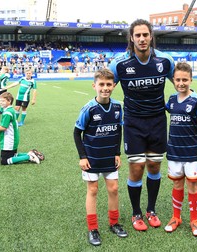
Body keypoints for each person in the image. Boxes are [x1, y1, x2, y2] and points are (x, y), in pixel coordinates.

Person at [109, 19, 175, 231]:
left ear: (151, 36)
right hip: (133, 123)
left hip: (157, 121)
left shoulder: (165, 61)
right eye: (137, 35)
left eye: (145, 35)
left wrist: (189, 103)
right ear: (131, 38)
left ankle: (151, 210)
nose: (142, 39)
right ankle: (136, 213)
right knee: (136, 168)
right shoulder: (119, 64)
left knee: (154, 166)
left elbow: (180, 82)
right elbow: (105, 86)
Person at [73, 68, 127, 246]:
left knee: (113, 189)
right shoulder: (89, 108)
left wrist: (117, 153)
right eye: (101, 84)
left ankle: (114, 223)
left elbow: (118, 130)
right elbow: (77, 133)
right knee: (93, 190)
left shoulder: (118, 107)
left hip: (109, 156)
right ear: (94, 86)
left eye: (108, 84)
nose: (105, 88)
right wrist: (82, 156)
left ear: (114, 85)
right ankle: (93, 228)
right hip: (92, 157)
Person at [164, 62, 197, 237]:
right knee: (177, 183)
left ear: (191, 79)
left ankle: (194, 219)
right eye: (178, 80)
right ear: (173, 81)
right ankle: (176, 217)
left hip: (193, 152)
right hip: (174, 151)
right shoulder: (171, 100)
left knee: (192, 184)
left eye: (185, 79)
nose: (181, 83)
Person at [0, 92, 44, 165]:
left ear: (9, 101)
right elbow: (8, 123)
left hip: (9, 139)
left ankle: (29, 157)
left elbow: (4, 127)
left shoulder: (7, 112)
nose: (1, 103)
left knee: (4, 161)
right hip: (13, 138)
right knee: (11, 155)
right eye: (0, 101)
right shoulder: (11, 110)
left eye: (3, 101)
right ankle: (30, 154)